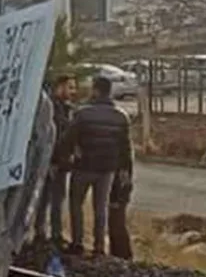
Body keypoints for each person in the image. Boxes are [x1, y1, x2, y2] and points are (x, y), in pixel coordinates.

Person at [58, 75, 134, 259]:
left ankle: (77, 243)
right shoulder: (121, 117)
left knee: (76, 204)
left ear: (96, 90)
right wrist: (125, 171)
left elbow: (68, 141)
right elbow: (125, 148)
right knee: (100, 208)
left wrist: (64, 161)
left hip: (83, 166)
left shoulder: (82, 114)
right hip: (107, 170)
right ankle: (99, 247)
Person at [35, 75, 77, 247]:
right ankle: (42, 232)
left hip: (61, 162)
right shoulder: (51, 108)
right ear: (59, 87)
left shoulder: (67, 108)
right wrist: (52, 160)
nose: (73, 91)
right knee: (46, 198)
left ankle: (53, 233)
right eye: (70, 87)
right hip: (51, 161)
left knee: (56, 199)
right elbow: (52, 137)